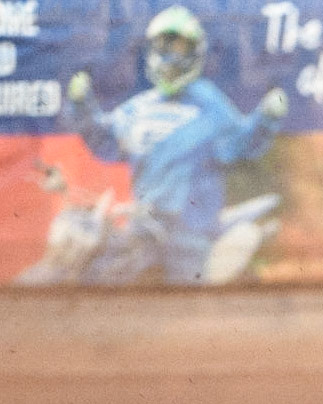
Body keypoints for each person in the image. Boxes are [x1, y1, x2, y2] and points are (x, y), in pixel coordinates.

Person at [63, 5, 287, 284]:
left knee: (188, 298)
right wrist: (82, 105)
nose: (170, 57)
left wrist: (267, 117)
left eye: (179, 48)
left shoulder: (209, 103)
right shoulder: (140, 108)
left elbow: (243, 143)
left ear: (195, 53)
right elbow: (105, 141)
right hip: (143, 229)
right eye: (164, 47)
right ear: (151, 52)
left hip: (190, 234)